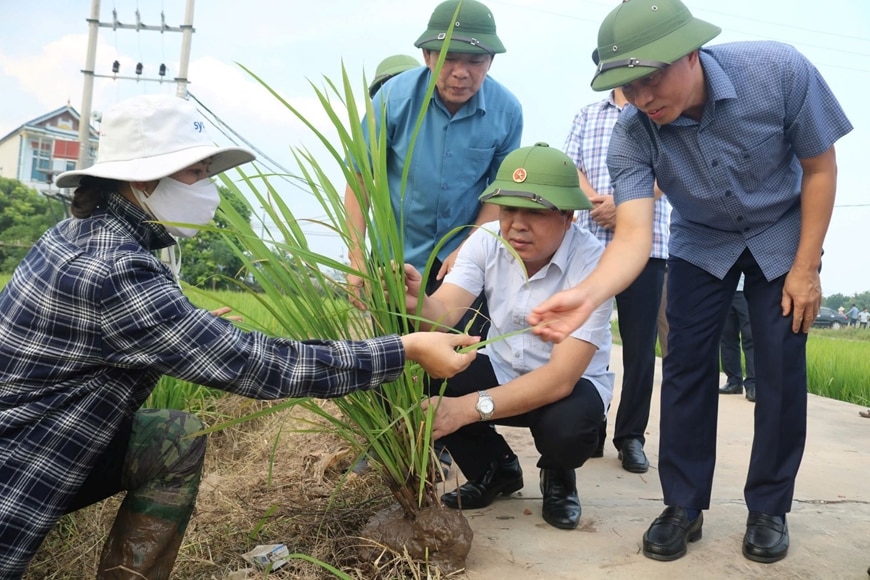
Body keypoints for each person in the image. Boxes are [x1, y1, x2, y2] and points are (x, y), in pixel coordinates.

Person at [0, 94, 479, 578]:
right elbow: (263, 366)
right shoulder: (116, 269)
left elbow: (126, 328)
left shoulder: (83, 233)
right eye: (196, 174)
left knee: (174, 437)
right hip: (23, 465)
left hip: (53, 432)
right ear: (144, 178)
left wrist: (186, 323)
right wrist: (407, 348)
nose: (207, 189)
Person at [528, 0, 851, 565]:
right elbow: (631, 237)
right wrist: (587, 295)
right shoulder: (632, 134)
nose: (642, 98)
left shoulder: (777, 72)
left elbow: (820, 168)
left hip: (781, 231)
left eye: (651, 78)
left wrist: (806, 269)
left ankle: (769, 508)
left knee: (779, 364)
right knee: (683, 367)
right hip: (701, 240)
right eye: (628, 86)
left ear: (691, 53)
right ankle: (682, 505)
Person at [402, 143, 613, 530]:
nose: (516, 224)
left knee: (570, 426)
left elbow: (560, 378)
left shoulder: (593, 261)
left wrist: (464, 409)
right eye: (508, 209)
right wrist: (415, 301)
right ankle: (495, 470)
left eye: (534, 211)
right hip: (501, 368)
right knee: (428, 369)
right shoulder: (486, 239)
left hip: (565, 387)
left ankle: (558, 474)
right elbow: (443, 314)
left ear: (567, 216)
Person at [343, 0, 523, 325]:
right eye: (449, 58)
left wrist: (469, 247)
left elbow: (499, 193)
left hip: (460, 261)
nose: (460, 72)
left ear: (490, 62)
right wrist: (356, 255)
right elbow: (360, 178)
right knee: (393, 361)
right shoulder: (392, 99)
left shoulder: (507, 112)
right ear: (427, 56)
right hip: (395, 259)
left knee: (457, 361)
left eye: (475, 61)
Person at [565, 76, 671, 473]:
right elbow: (571, 165)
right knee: (584, 339)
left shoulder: (660, 113)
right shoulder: (587, 115)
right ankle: (589, 427)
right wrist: (597, 203)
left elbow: (672, 170)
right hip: (590, 241)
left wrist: (623, 203)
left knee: (641, 347)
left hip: (647, 244)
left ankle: (631, 437)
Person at [719, 274, 756, 401]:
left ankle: (753, 384)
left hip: (747, 290)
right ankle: (734, 381)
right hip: (726, 288)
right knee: (727, 337)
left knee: (750, 337)